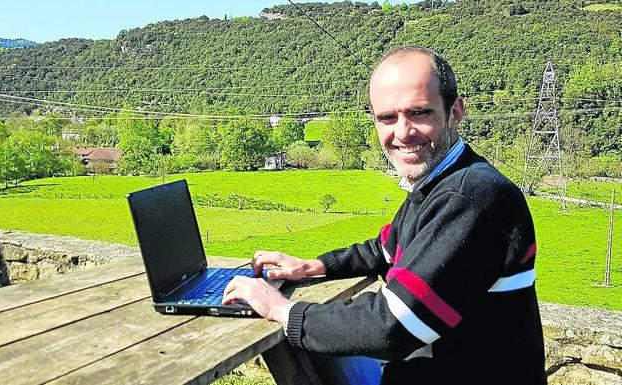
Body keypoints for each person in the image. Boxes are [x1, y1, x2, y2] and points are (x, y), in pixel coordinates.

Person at [222, 47, 547, 385]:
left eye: (419, 113)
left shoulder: (471, 196)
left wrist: (281, 309)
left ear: (455, 111)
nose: (403, 132)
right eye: (387, 118)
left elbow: (394, 325)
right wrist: (311, 267)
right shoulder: (437, 182)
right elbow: (384, 249)